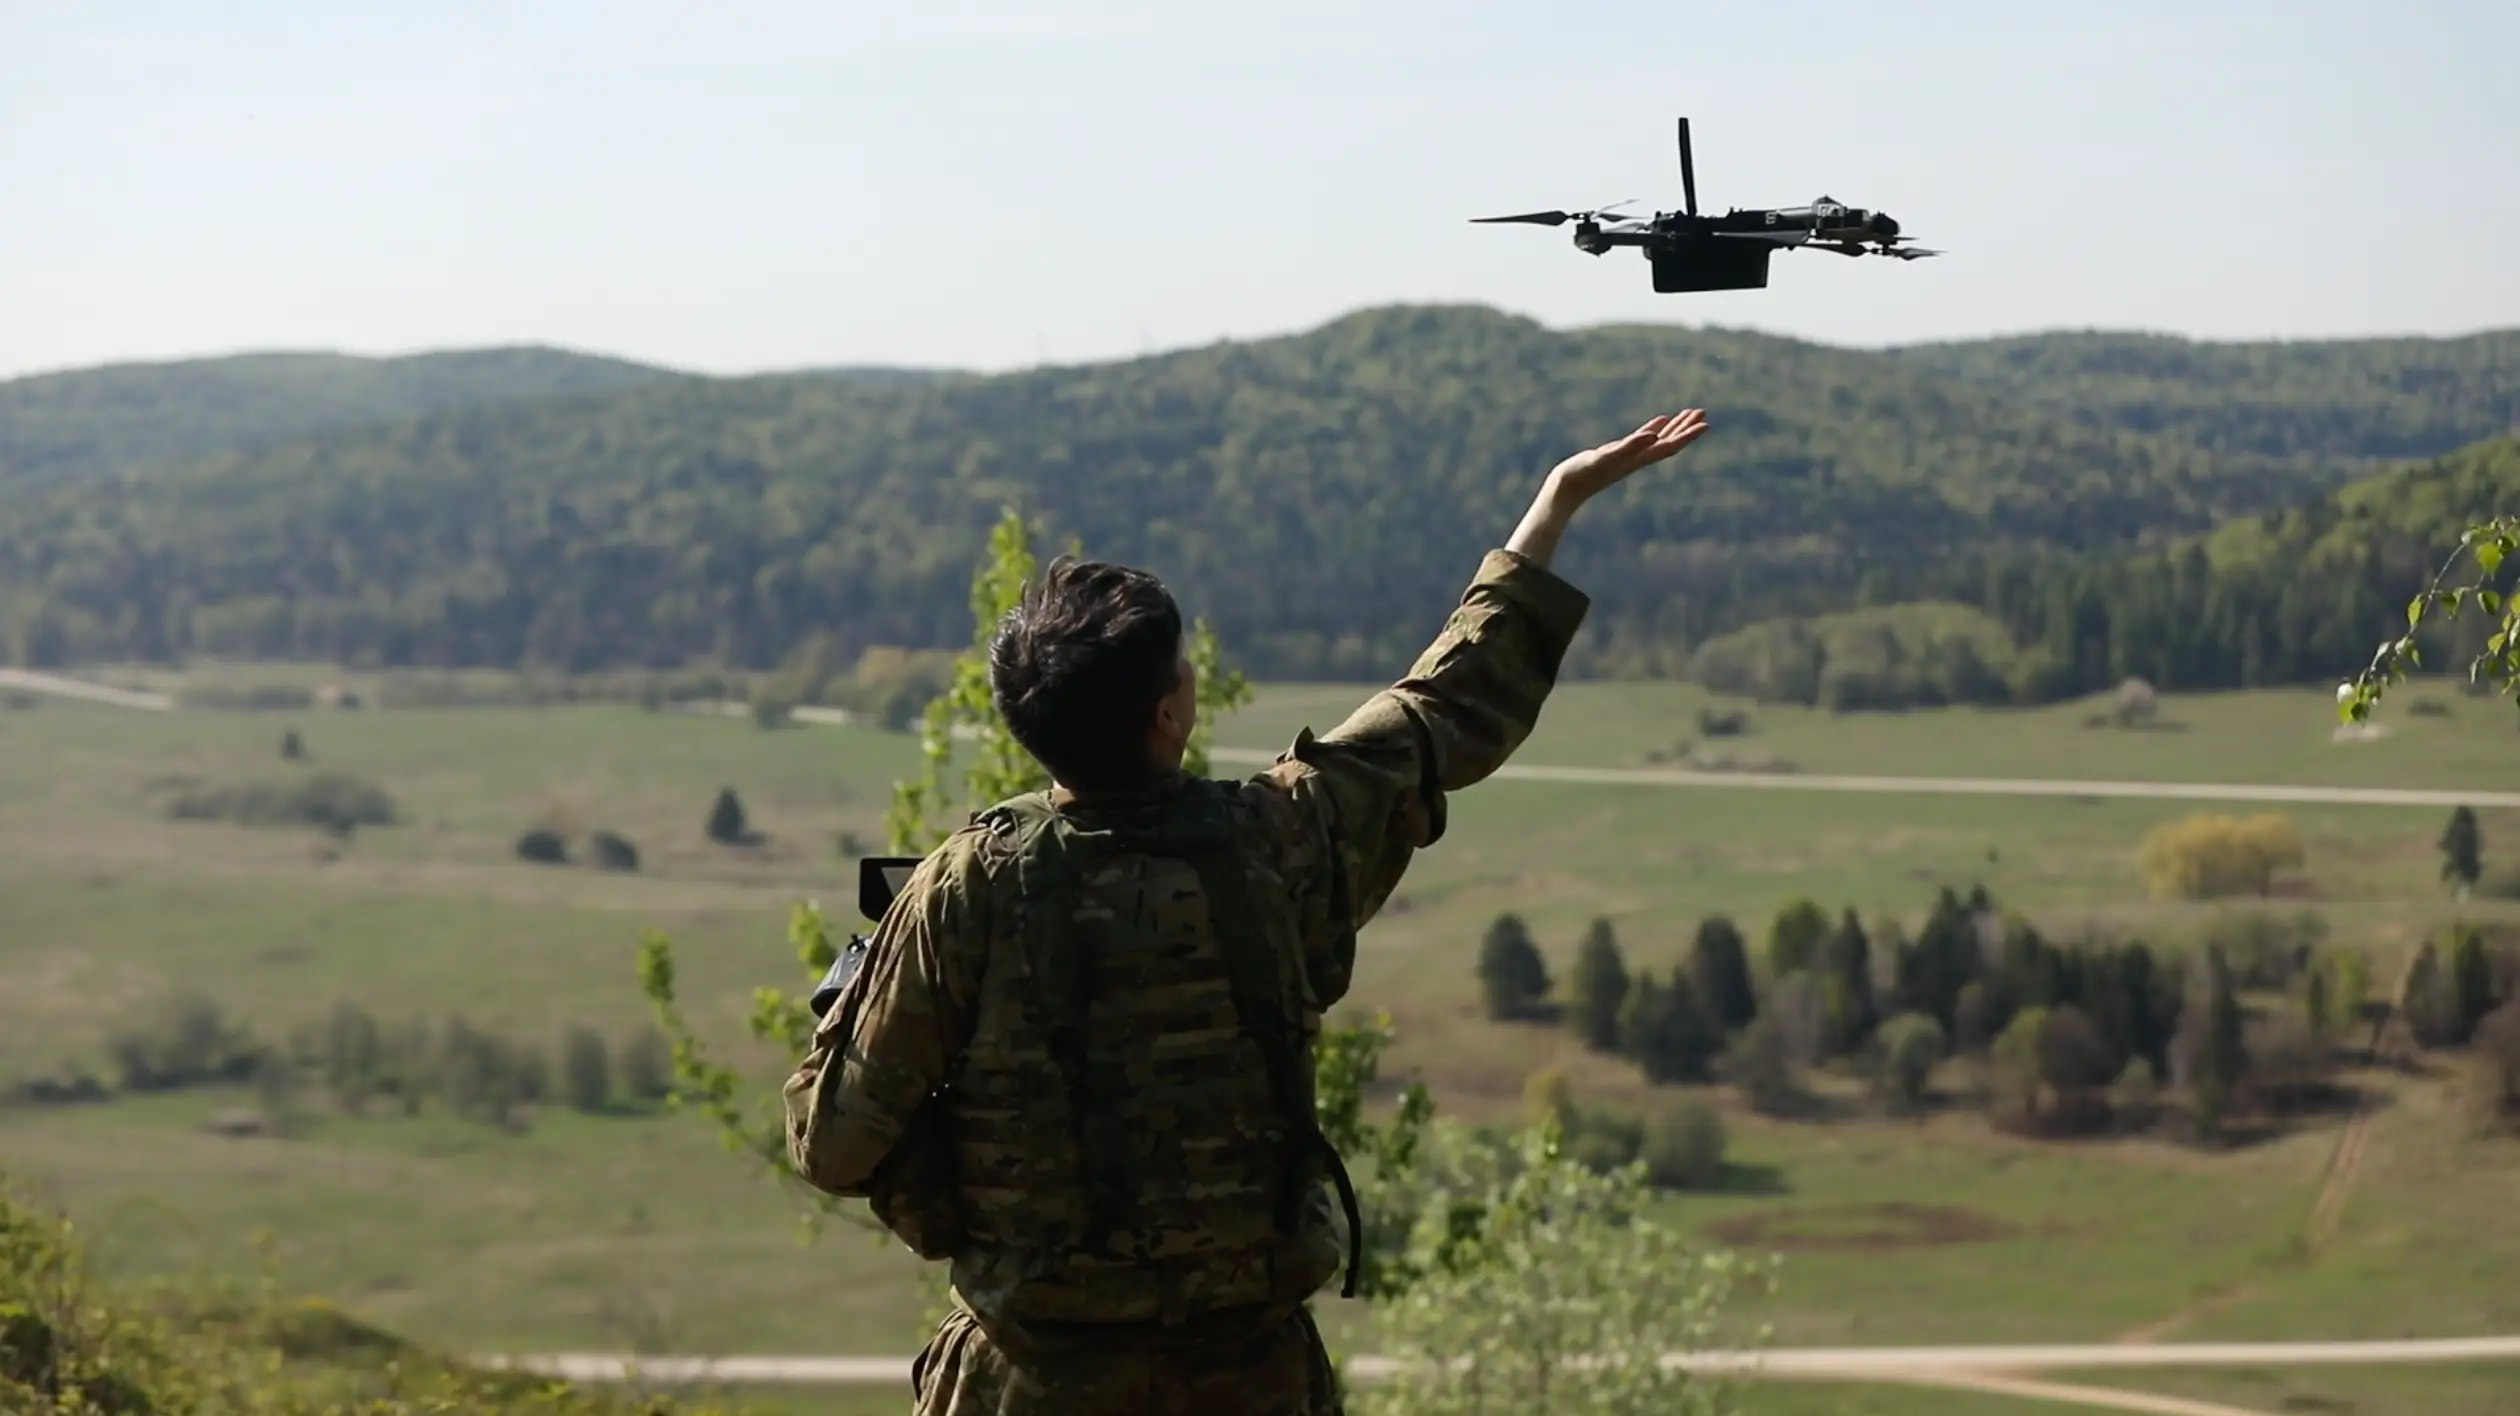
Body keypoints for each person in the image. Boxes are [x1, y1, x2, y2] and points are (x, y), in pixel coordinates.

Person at [783, 409, 1713, 1414]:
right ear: (1170, 715)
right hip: (1249, 1381)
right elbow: (1443, 707)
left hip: (1027, 1384)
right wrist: (1554, 505)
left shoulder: (962, 890)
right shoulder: (1280, 839)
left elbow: (833, 1145)